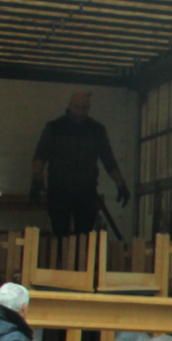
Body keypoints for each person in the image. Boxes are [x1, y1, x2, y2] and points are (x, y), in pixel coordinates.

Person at [31, 91, 131, 237]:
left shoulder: (96, 130)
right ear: (70, 105)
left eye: (83, 108)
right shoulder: (55, 128)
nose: (80, 111)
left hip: (84, 190)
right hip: (61, 190)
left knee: (82, 237)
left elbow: (108, 159)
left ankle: (75, 259)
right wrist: (36, 180)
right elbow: (40, 156)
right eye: (77, 107)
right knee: (62, 235)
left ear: (89, 108)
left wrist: (120, 183)